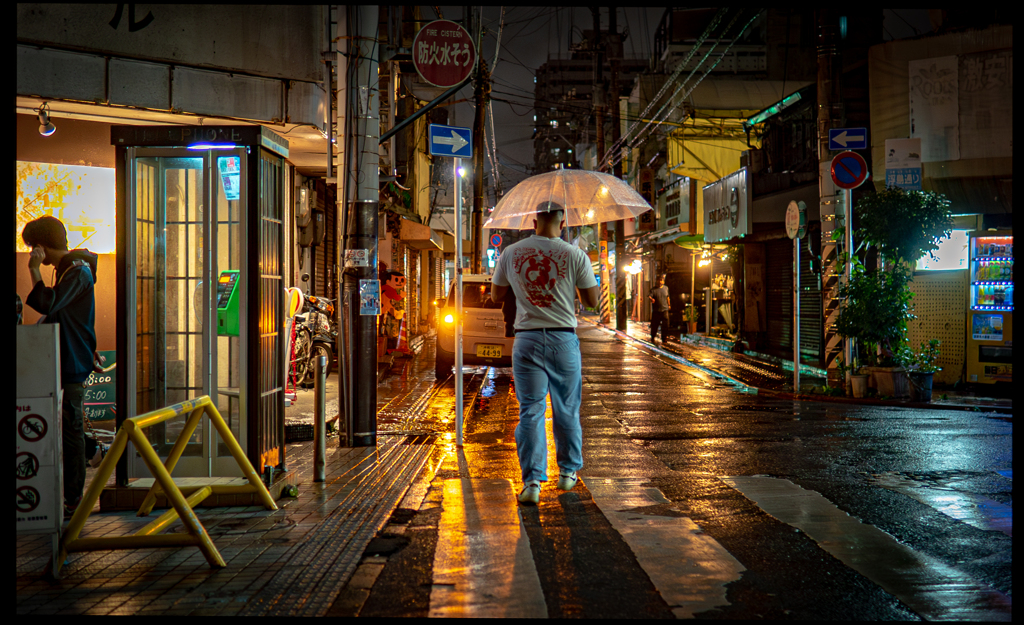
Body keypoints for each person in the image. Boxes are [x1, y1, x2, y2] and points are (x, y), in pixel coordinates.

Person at [491, 201, 599, 505]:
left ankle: (532, 483)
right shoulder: (575, 254)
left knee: (531, 410)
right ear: (562, 223)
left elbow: (497, 293)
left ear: (533, 221)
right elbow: (591, 301)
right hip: (564, 340)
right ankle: (567, 473)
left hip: (526, 339)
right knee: (566, 407)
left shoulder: (511, 253)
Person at [22, 216, 100, 520]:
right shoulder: (70, 269)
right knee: (66, 424)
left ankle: (73, 499)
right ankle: (91, 450)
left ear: (40, 247)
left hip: (71, 360)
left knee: (70, 427)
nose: (31, 254)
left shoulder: (77, 272)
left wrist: (33, 271)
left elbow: (48, 304)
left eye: (32, 249)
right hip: (66, 356)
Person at [649, 274, 671, 343]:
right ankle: (653, 336)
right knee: (655, 324)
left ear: (663, 281)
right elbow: (650, 296)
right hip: (656, 310)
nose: (660, 281)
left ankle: (664, 338)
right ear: (656, 281)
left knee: (665, 325)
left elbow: (667, 297)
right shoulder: (653, 289)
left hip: (665, 309)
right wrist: (652, 299)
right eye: (659, 280)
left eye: (661, 280)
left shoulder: (666, 288)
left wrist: (669, 305)